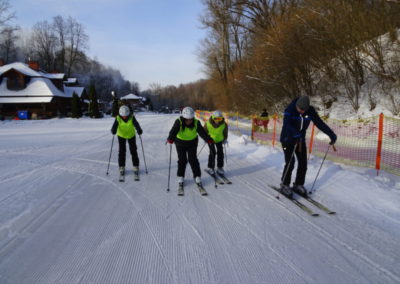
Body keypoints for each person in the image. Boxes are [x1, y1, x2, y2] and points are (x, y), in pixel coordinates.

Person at [280, 96, 337, 198]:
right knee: (290, 162)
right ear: (297, 105)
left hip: (300, 141)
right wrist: (295, 134)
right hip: (287, 139)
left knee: (303, 163)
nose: (301, 111)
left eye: (303, 110)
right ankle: (285, 184)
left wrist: (331, 134)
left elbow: (319, 123)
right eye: (299, 109)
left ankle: (298, 184)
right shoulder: (290, 109)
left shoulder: (310, 111)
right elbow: (287, 125)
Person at [167, 106, 213, 187]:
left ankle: (197, 176)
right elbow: (173, 130)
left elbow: (202, 132)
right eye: (187, 119)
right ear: (183, 117)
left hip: (192, 143)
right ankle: (181, 176)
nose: (189, 121)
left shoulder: (196, 122)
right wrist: (171, 138)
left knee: (193, 159)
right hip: (180, 143)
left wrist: (208, 139)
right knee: (182, 160)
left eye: (191, 119)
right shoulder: (179, 122)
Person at [111, 105, 143, 177]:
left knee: (133, 151)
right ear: (120, 114)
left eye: (126, 115)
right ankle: (121, 167)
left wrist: (139, 129)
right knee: (122, 151)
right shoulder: (118, 118)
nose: (125, 117)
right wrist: (113, 130)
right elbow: (114, 125)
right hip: (121, 135)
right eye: (123, 116)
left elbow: (136, 124)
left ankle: (136, 166)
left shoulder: (132, 117)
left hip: (131, 135)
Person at [204, 110, 228, 175]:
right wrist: (205, 139)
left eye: (219, 118)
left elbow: (225, 132)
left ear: (221, 118)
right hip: (210, 140)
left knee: (220, 153)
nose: (217, 120)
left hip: (219, 140)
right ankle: (211, 167)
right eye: (216, 118)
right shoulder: (208, 124)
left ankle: (220, 167)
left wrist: (225, 139)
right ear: (213, 117)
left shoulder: (224, 124)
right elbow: (204, 132)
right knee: (212, 152)